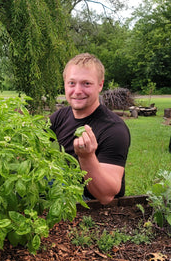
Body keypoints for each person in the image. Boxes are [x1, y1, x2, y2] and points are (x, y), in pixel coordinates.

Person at [50, 53, 130, 205]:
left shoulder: (114, 129)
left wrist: (87, 157)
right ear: (65, 84)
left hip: (90, 201)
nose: (78, 91)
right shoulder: (61, 115)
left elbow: (106, 196)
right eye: (72, 83)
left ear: (100, 85)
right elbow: (32, 141)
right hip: (63, 187)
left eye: (86, 83)